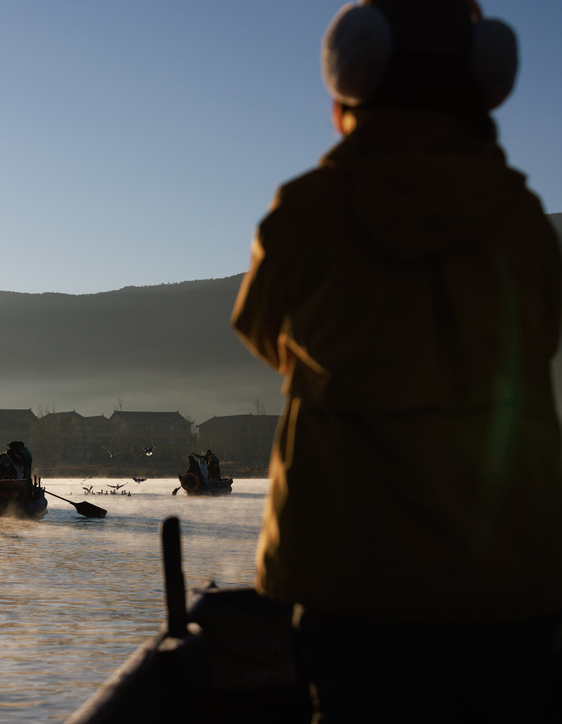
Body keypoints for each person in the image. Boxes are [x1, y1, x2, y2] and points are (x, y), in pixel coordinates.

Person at [230, 1, 562, 719]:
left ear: (351, 77)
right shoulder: (527, 224)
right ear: (485, 82)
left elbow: (260, 330)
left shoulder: (304, 214)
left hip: (352, 576)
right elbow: (546, 334)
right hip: (511, 577)